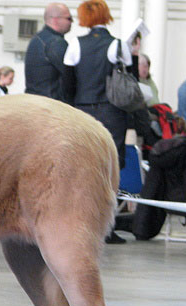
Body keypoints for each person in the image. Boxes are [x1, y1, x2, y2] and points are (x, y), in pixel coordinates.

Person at [63, 0, 136, 244]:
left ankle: (78, 223)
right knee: (110, 169)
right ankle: (107, 227)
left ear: (84, 18)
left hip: (82, 112)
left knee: (81, 166)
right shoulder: (118, 45)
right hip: (112, 112)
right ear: (106, 16)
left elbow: (67, 84)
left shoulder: (74, 44)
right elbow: (130, 80)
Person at [24, 2, 72, 102]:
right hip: (51, 106)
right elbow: (71, 75)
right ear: (55, 19)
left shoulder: (37, 39)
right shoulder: (55, 43)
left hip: (34, 103)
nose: (72, 22)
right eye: (69, 18)